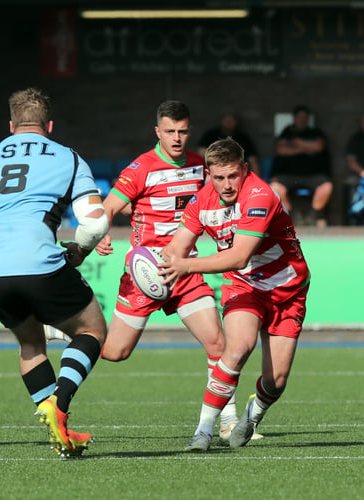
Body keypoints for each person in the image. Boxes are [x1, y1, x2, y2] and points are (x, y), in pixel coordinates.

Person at [0, 88, 109, 458]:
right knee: (91, 329)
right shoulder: (68, 157)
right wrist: (80, 250)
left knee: (30, 344)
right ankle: (59, 403)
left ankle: (56, 427)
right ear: (49, 125)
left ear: (11, 125)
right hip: (38, 260)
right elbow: (94, 224)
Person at [92, 100, 244, 440]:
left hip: (186, 271)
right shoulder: (141, 168)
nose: (177, 138)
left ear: (190, 131)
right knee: (115, 353)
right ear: (157, 131)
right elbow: (110, 206)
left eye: (183, 131)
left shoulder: (198, 165)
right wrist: (98, 233)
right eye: (170, 131)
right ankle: (69, 333)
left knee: (218, 343)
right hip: (144, 275)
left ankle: (229, 421)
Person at [160, 137, 310, 451]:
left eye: (232, 176)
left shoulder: (260, 195)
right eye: (218, 177)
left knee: (276, 381)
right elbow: (177, 246)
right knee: (239, 348)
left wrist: (184, 266)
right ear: (208, 174)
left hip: (288, 290)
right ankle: (203, 431)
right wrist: (162, 264)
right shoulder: (201, 201)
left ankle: (253, 416)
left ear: (244, 169)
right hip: (245, 286)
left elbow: (239, 255)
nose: (227, 185)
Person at [269, 105, 333, 228]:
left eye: (304, 117)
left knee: (326, 186)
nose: (302, 119)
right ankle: (292, 217)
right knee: (275, 187)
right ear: (294, 118)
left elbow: (319, 146)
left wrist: (296, 143)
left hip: (313, 175)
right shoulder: (286, 132)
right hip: (287, 175)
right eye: (299, 117)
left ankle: (313, 216)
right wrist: (308, 148)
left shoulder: (315, 132)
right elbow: (281, 149)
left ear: (308, 119)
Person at [196, 111, 261, 177]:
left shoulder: (243, 138)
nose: (229, 123)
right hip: (214, 169)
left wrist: (256, 178)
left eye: (231, 120)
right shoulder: (210, 135)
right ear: (221, 121)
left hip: (236, 172)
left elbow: (253, 160)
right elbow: (200, 153)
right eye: (226, 120)